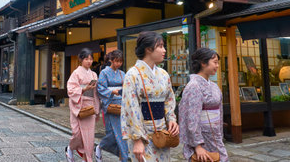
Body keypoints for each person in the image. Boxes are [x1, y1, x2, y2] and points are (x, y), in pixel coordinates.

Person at [121, 31, 179, 162]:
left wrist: (171, 119)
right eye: (160, 46)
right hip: (143, 133)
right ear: (148, 49)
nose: (164, 50)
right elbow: (131, 109)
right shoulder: (132, 75)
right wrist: (137, 139)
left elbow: (169, 99)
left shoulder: (163, 74)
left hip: (162, 133)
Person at [178, 48, 228, 162]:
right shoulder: (194, 86)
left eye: (218, 63)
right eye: (215, 62)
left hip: (215, 134)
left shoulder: (214, 86)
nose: (217, 66)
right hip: (202, 137)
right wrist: (197, 145)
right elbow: (192, 118)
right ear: (203, 63)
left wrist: (220, 133)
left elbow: (219, 112)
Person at [66, 48, 100, 162]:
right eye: (86, 59)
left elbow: (96, 93)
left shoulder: (94, 74)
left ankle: (87, 158)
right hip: (78, 104)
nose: (89, 61)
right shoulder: (76, 73)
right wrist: (84, 89)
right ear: (81, 59)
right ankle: (70, 148)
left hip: (90, 106)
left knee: (89, 136)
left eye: (91, 59)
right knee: (77, 133)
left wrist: (97, 108)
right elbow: (70, 90)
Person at [96, 50, 128, 162]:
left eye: (120, 62)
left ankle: (103, 147)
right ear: (111, 60)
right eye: (116, 61)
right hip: (110, 105)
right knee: (115, 133)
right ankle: (122, 156)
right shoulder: (104, 73)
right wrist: (113, 92)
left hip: (121, 105)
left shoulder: (122, 73)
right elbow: (100, 88)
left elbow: (126, 88)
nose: (118, 64)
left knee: (121, 132)